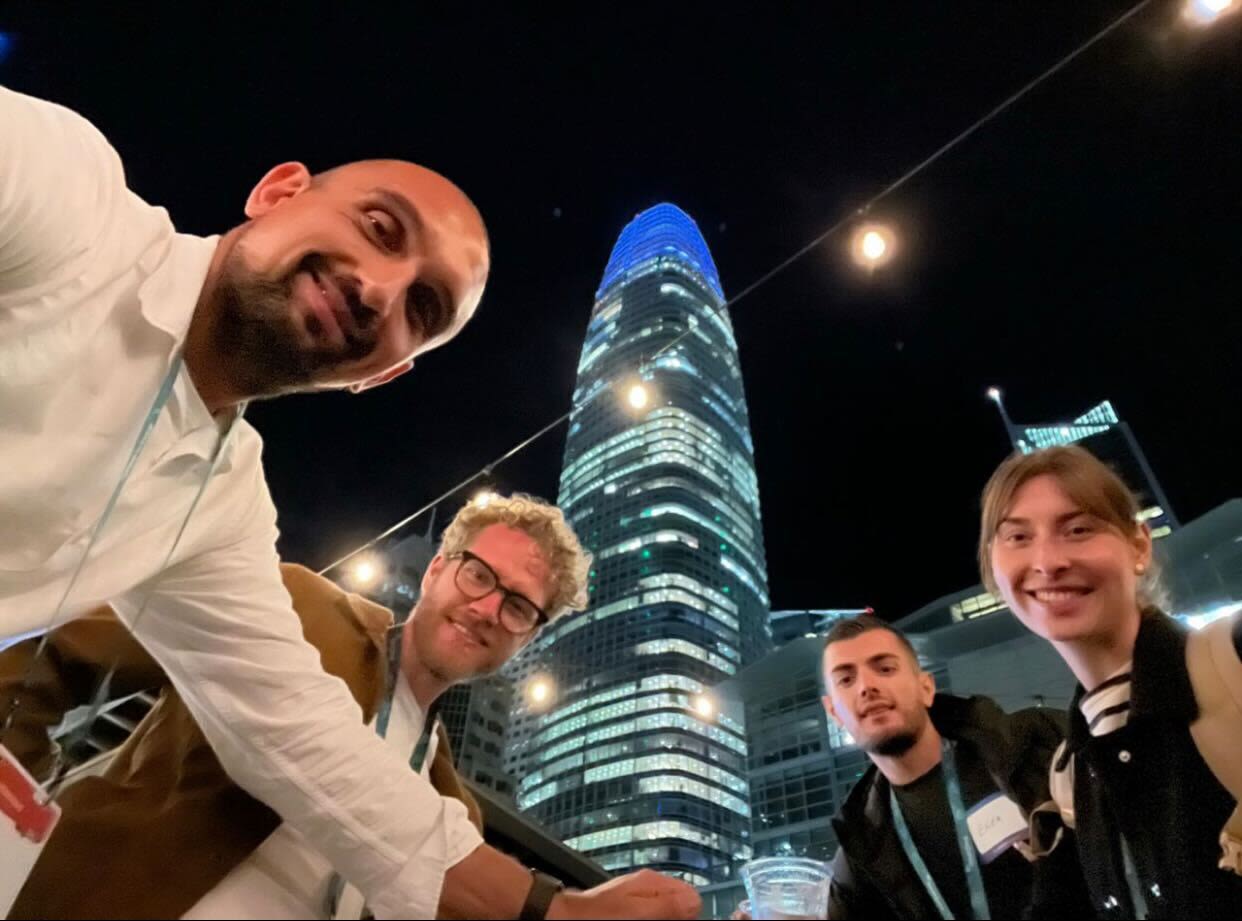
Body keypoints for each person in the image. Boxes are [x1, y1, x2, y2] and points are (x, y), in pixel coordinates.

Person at [0, 86, 697, 920]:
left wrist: (557, 908)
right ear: (278, 192)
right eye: (379, 227)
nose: (378, 288)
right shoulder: (67, 200)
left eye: (422, 307)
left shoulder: (219, 510)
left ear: (380, 374)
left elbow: (302, 743)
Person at [3, 494, 699, 919]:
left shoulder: (454, 808)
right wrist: (13, 823)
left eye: (518, 605)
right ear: (436, 568)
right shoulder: (301, 604)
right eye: (479, 574)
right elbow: (59, 639)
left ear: (527, 638)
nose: (487, 607)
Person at [979, 445, 1242, 919]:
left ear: (1139, 546)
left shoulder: (1233, 666)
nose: (1047, 561)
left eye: (1078, 529)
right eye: (1018, 537)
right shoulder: (1070, 775)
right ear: (994, 572)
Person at [818, 614, 1087, 919]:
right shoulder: (862, 846)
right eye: (846, 679)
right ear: (833, 713)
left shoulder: (1037, 744)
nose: (866, 686)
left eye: (885, 668)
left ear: (926, 688)